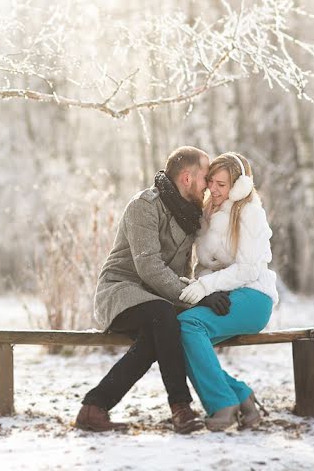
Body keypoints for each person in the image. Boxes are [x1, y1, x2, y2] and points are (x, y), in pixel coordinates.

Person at [75, 146, 231, 434]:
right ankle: (181, 408)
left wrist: (202, 294)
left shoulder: (190, 216)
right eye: (205, 178)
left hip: (156, 302)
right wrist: (199, 296)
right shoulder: (144, 205)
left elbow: (181, 274)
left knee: (164, 327)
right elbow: (148, 267)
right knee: (163, 315)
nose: (209, 184)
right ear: (186, 178)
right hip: (121, 292)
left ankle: (94, 408)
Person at [177, 152, 280, 431]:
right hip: (227, 295)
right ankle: (240, 396)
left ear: (238, 186)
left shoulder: (249, 212)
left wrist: (207, 286)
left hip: (254, 296)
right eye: (211, 182)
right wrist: (205, 287)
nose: (213, 188)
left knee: (189, 324)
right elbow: (204, 266)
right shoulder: (209, 214)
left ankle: (222, 404)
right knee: (180, 334)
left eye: (222, 184)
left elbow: (247, 269)